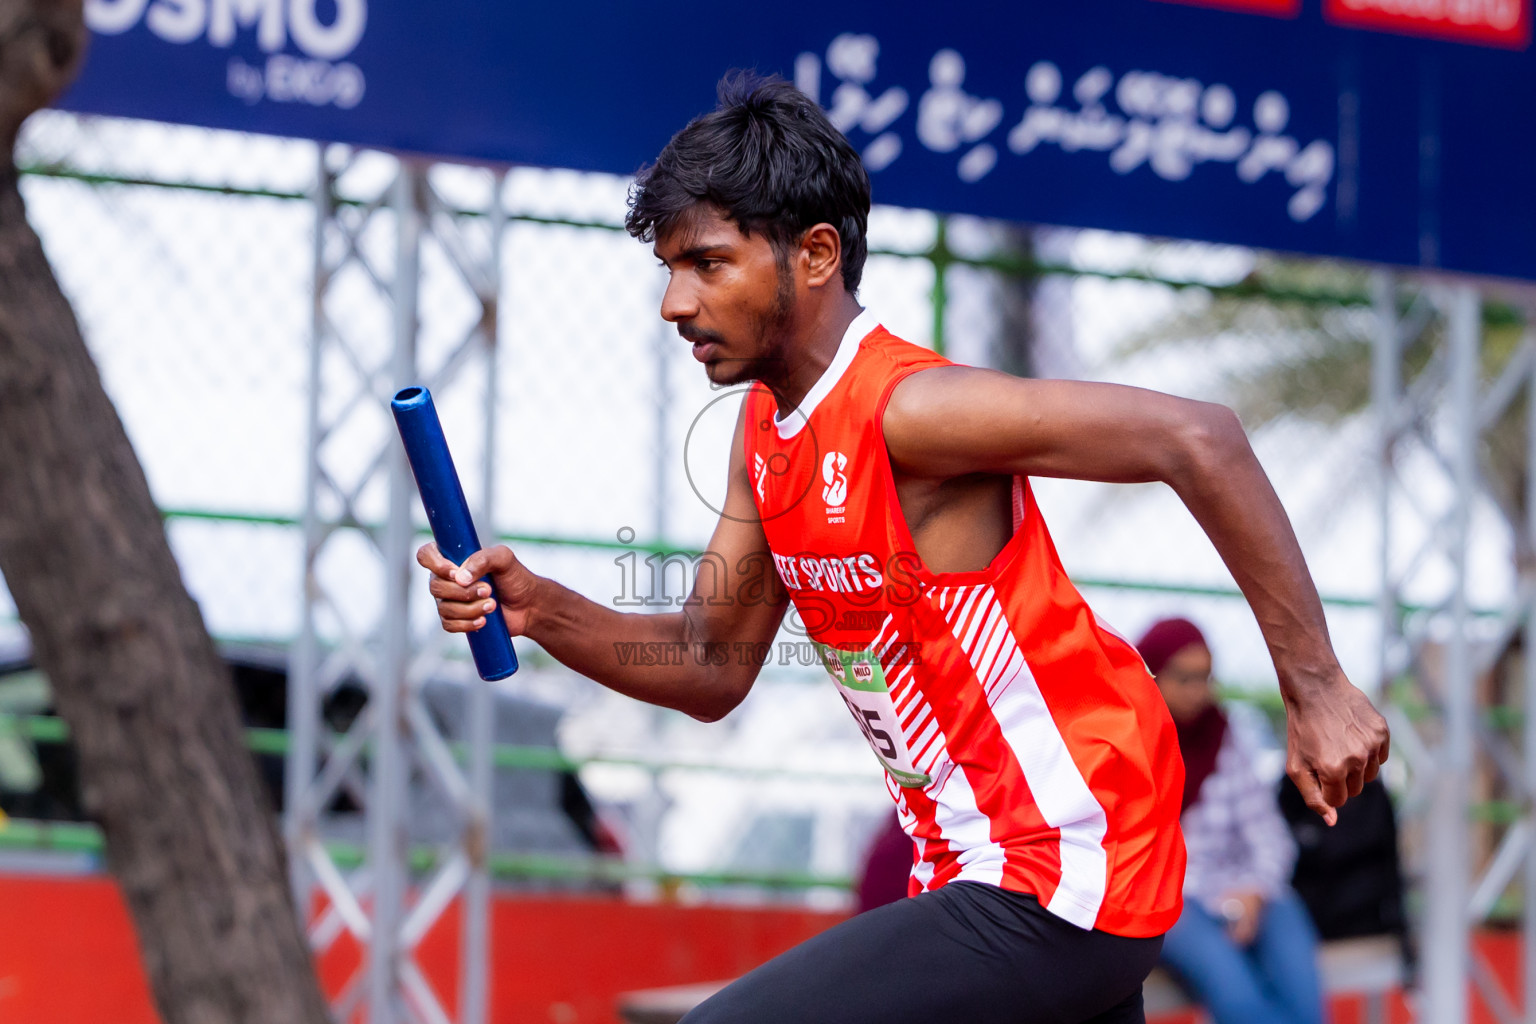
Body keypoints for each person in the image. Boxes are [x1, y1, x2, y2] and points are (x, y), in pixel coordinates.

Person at [417, 74, 1389, 1024]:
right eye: (669, 268)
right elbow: (710, 663)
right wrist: (543, 609)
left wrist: (1317, 687)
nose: (674, 302)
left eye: (706, 263)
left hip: (1061, 864)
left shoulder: (912, 411)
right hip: (986, 873)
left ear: (815, 255)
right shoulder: (766, 435)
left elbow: (1201, 438)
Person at [1138, 617, 1325, 1024]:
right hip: (1171, 903)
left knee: (1304, 996)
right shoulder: (1128, 741)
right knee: (1239, 999)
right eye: (1183, 677)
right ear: (1149, 675)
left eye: (1205, 677)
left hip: (1247, 888)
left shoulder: (1224, 738)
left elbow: (1269, 834)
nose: (1196, 691)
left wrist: (1253, 892)